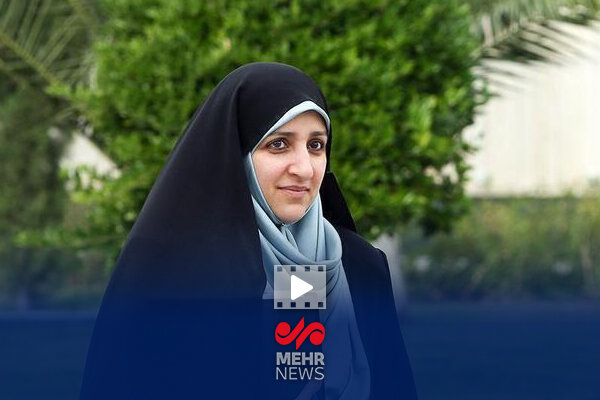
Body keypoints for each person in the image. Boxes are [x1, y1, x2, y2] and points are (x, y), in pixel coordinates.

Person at [80, 62, 417, 399]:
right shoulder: (167, 270)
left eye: (316, 145)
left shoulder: (359, 266)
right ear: (236, 152)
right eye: (279, 144)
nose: (304, 169)